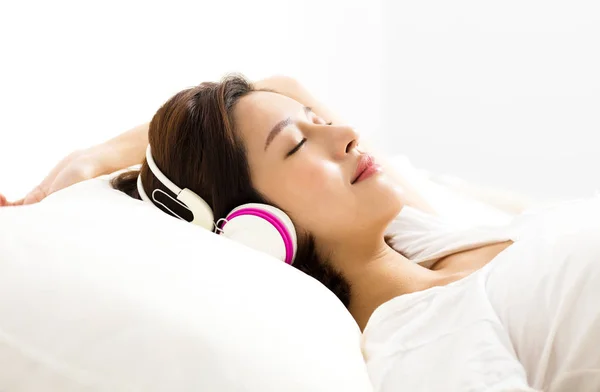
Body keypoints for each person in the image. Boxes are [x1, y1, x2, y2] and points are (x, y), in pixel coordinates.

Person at [2, 74, 599, 391]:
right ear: (258, 231)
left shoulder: (427, 239)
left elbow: (282, 81)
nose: (344, 135)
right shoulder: (420, 337)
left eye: (322, 124)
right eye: (296, 143)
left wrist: (93, 157)